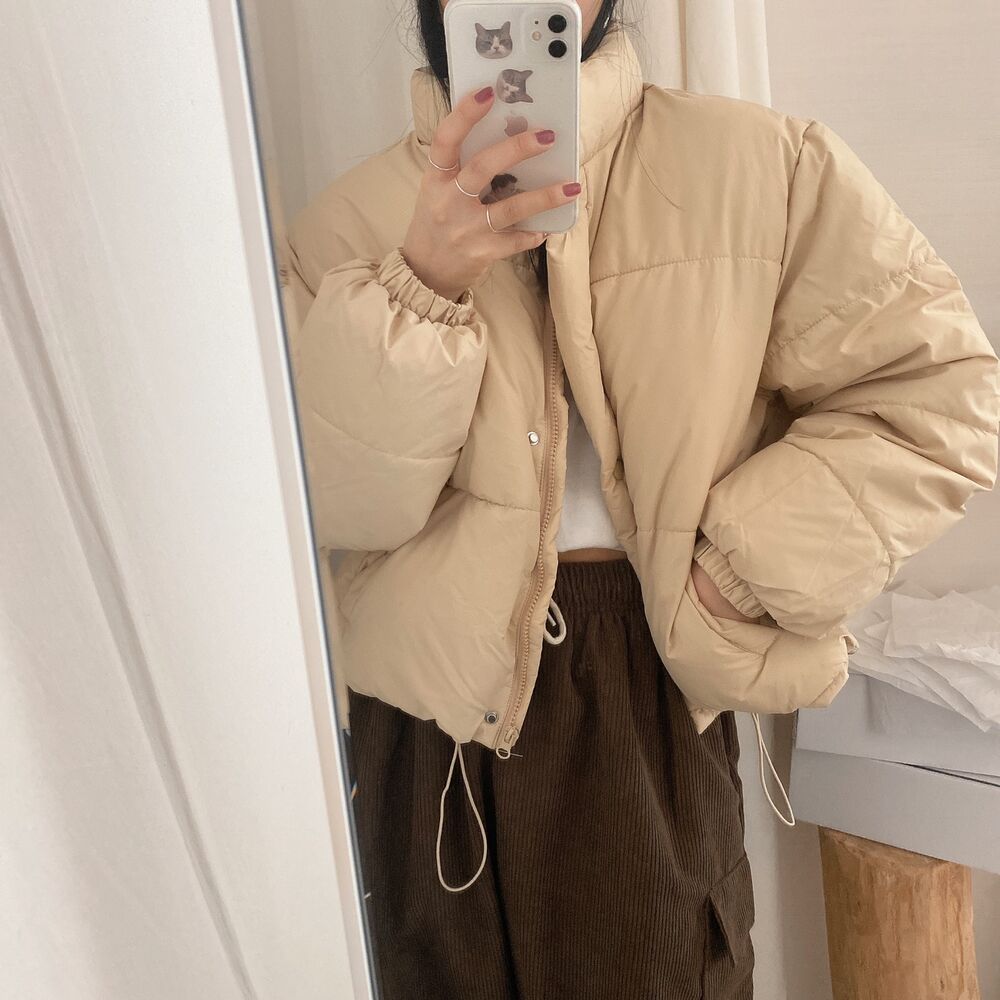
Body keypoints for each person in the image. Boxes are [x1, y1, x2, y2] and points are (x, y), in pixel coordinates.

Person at [283, 2, 1000, 996]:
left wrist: (738, 570)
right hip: (424, 736)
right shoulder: (340, 229)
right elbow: (334, 507)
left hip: (641, 685)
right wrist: (421, 282)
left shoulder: (758, 168)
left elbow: (939, 393)